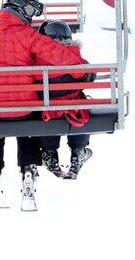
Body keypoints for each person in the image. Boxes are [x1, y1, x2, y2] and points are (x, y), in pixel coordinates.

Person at [0, 0, 87, 208]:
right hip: (24, 109)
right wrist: (82, 69)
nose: (30, 16)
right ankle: (28, 170)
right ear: (19, 7)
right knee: (28, 122)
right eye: (29, 10)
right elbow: (61, 57)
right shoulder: (29, 36)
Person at [36, 20, 94, 180]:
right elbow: (88, 76)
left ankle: (49, 153)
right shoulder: (73, 55)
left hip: (47, 110)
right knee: (80, 105)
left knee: (46, 108)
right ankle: (78, 151)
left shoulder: (37, 57)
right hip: (74, 109)